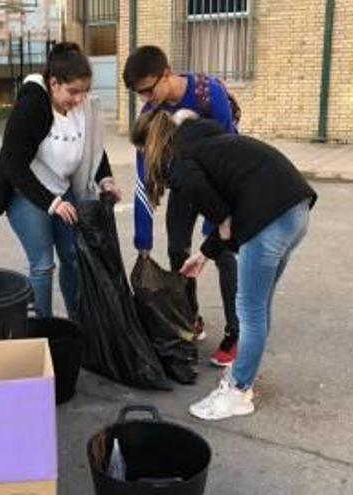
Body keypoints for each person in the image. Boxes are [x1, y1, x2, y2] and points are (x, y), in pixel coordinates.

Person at [132, 109, 316, 420]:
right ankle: (244, 374)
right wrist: (204, 253)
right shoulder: (204, 142)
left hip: (269, 219)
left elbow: (203, 192)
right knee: (259, 305)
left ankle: (238, 390)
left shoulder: (178, 159)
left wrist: (221, 217)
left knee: (250, 310)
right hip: (296, 212)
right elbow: (232, 204)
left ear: (150, 145)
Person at [123, 45, 242, 366]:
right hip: (184, 186)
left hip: (220, 185)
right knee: (178, 250)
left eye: (148, 90)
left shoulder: (208, 93)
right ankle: (191, 317)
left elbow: (231, 151)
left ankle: (235, 332)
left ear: (166, 74)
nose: (146, 99)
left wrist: (216, 220)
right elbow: (144, 180)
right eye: (139, 94)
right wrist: (143, 243)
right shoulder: (148, 114)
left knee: (224, 252)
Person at [0, 42, 121, 320]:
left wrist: (105, 179)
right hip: (26, 191)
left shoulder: (82, 107)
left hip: (61, 188)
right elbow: (14, 165)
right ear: (54, 83)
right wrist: (52, 203)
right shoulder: (33, 104)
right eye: (72, 91)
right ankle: (44, 329)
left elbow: (93, 148)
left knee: (73, 258)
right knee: (43, 265)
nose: (78, 99)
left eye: (84, 91)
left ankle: (77, 322)